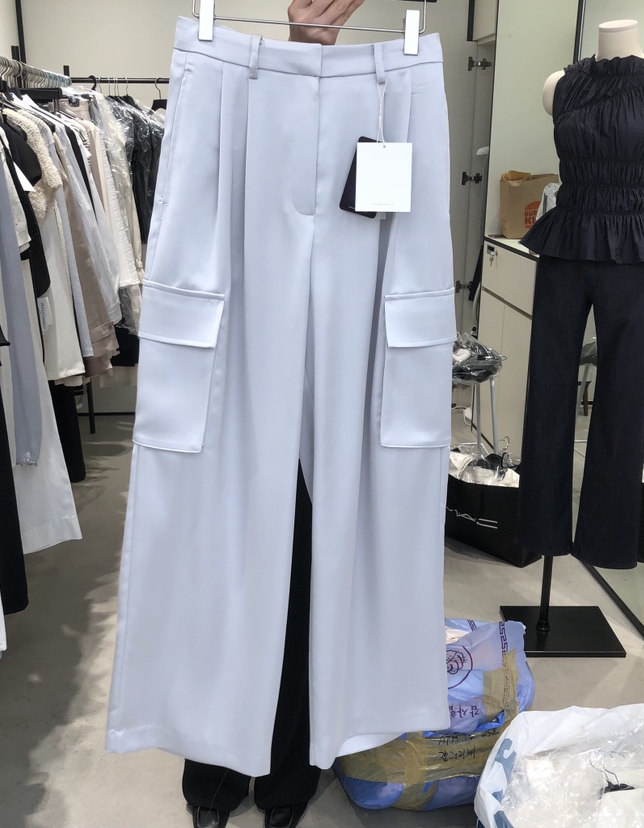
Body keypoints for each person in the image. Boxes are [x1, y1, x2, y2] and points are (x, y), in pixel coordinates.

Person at [179, 8, 372, 828]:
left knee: (305, 577)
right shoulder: (231, 107)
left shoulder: (379, 111)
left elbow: (373, 229)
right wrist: (299, 54)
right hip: (242, 362)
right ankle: (217, 769)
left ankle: (287, 771)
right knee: (228, 572)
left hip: (333, 372)